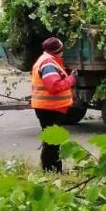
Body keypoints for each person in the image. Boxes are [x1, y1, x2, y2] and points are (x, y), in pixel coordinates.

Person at [31, 37, 77, 172]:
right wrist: (71, 79)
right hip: (50, 108)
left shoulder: (47, 61)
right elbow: (54, 85)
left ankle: (51, 169)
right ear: (58, 51)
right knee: (53, 142)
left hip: (48, 107)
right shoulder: (47, 64)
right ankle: (52, 171)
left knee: (51, 141)